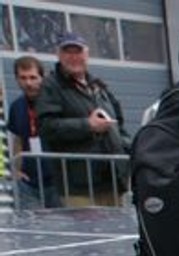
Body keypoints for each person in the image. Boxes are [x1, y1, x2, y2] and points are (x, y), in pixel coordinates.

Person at [33, 30, 129, 206]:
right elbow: (46, 127)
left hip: (113, 182)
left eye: (77, 51)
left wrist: (133, 151)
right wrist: (87, 125)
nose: (73, 57)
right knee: (90, 233)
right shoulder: (51, 86)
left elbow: (119, 126)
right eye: (67, 52)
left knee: (119, 232)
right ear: (59, 55)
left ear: (87, 54)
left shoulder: (100, 87)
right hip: (79, 187)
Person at [5, 55, 60, 208]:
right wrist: (16, 169)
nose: (28, 83)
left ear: (42, 77)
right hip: (29, 182)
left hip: (57, 181)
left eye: (33, 77)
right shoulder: (17, 106)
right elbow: (18, 140)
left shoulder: (55, 102)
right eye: (23, 78)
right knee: (32, 227)